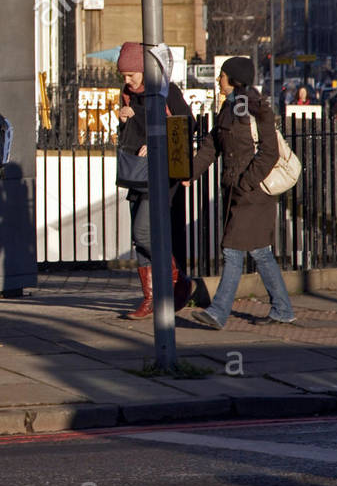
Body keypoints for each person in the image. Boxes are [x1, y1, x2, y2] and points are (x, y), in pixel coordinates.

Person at [187, 56, 296, 329]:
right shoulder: (228, 108)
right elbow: (212, 146)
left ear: (234, 79)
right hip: (238, 191)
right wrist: (189, 173)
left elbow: (269, 151)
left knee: (232, 250)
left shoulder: (257, 108)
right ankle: (282, 309)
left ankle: (218, 312)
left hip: (254, 193)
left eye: (222, 75)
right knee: (260, 252)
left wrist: (248, 182)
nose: (218, 80)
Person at [114, 41, 194, 319]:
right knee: (141, 242)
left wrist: (153, 140)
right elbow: (128, 132)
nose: (127, 81)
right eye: (123, 76)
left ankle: (177, 279)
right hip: (136, 171)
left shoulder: (164, 91)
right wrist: (123, 121)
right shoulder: (126, 95)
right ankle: (151, 297)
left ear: (143, 69)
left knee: (142, 232)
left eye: (131, 74)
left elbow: (185, 123)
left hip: (159, 172)